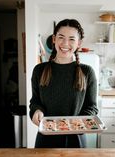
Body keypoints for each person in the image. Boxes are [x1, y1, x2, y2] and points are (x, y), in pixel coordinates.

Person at [29, 19, 98, 148]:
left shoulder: (87, 72)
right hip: (45, 139)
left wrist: (74, 125)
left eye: (72, 39)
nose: (65, 43)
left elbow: (92, 108)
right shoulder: (39, 70)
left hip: (76, 140)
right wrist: (36, 111)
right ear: (54, 39)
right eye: (61, 37)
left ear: (79, 43)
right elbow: (35, 101)